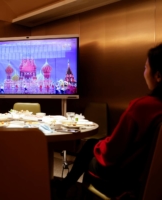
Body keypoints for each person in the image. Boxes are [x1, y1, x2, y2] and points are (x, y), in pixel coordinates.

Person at [52, 43, 162, 200]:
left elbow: (111, 152)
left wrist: (98, 147)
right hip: (145, 176)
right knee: (92, 144)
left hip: (119, 178)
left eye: (146, 67)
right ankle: (65, 186)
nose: (144, 72)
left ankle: (66, 189)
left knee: (91, 146)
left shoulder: (142, 107)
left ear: (158, 75)